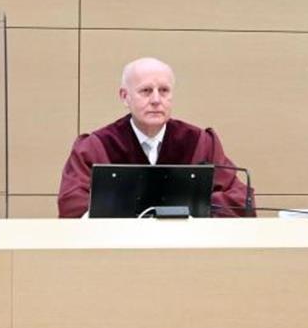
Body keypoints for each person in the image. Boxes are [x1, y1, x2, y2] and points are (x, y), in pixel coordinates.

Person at [58, 57, 255, 217]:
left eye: (164, 90)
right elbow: (72, 204)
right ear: (125, 96)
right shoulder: (95, 146)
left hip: (188, 252)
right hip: (119, 253)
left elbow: (239, 198)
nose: (156, 100)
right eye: (146, 91)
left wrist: (197, 207)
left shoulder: (200, 142)